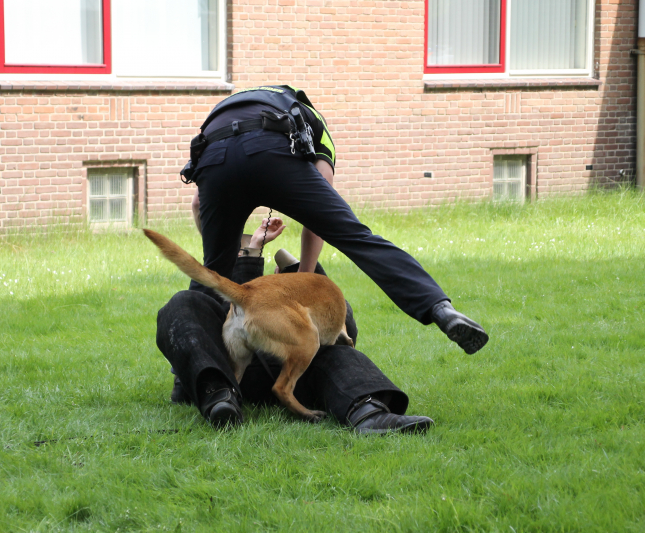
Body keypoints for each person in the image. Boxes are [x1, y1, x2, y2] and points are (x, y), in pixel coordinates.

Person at [183, 84, 488, 355]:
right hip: (270, 152)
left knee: (209, 275)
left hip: (214, 157)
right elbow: (322, 196)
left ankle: (188, 375)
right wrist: (303, 279)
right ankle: (440, 309)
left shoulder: (223, 112)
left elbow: (198, 202)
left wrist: (231, 250)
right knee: (358, 238)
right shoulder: (310, 118)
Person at [157, 217, 435, 433]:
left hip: (303, 369)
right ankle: (217, 394)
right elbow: (231, 292)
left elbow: (338, 328)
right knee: (185, 302)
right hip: (230, 371)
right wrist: (252, 249)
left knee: (336, 339)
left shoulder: (328, 314)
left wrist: (297, 277)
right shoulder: (235, 302)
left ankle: (367, 411)